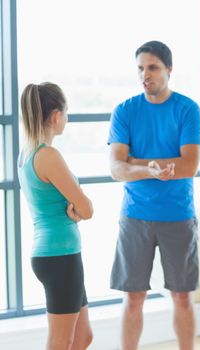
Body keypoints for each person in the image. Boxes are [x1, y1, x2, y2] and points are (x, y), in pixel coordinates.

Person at [108, 40, 200, 350]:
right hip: (135, 216)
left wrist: (137, 161)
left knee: (182, 296)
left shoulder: (187, 109)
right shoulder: (125, 111)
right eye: (140, 68)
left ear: (169, 70)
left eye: (152, 67)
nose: (145, 75)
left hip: (178, 214)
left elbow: (189, 165)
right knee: (133, 298)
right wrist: (148, 170)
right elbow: (116, 169)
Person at [18, 82, 94, 350]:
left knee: (83, 337)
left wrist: (77, 208)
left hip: (56, 254)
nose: (67, 118)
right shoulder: (48, 156)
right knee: (61, 342)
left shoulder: (26, 155)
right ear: (55, 116)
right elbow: (86, 209)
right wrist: (78, 210)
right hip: (59, 255)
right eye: (66, 112)